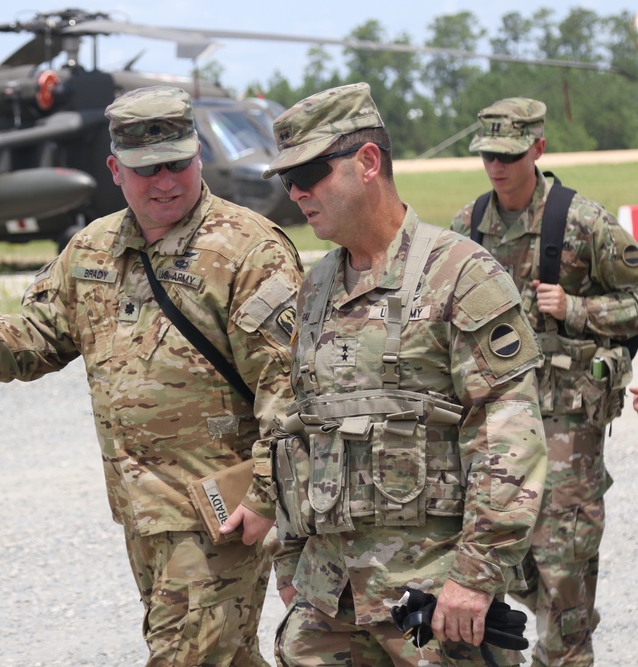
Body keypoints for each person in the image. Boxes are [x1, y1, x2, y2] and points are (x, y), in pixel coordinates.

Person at [0, 85, 304, 666]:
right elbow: (38, 338)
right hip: (141, 509)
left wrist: (267, 496)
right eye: (146, 170)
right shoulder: (92, 249)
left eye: (177, 164)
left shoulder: (248, 250)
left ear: (197, 158)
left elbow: (288, 390)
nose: (165, 181)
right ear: (115, 169)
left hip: (218, 512)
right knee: (226, 657)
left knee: (186, 657)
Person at [262, 82, 548, 666]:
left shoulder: (460, 274)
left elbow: (508, 434)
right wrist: (289, 562)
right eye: (286, 179)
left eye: (311, 172)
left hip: (430, 601)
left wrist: (476, 575)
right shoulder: (316, 286)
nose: (295, 193)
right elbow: (299, 434)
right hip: (329, 603)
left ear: (368, 163)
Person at [452, 97, 638, 667]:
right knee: (490, 577)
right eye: (487, 154)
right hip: (490, 433)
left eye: (509, 154)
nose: (496, 166)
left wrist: (576, 310)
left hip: (565, 432)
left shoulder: (581, 222)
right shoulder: (467, 226)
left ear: (539, 149)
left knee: (564, 581)